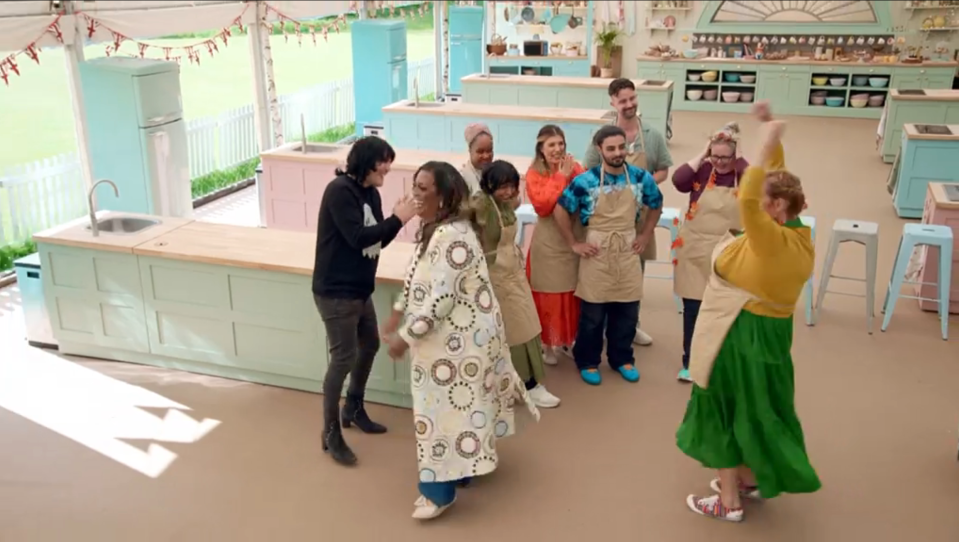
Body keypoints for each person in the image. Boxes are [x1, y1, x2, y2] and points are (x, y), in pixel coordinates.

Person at [676, 102, 820, 523]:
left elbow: (754, 191)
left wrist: (766, 142)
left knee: (723, 405)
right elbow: (773, 185)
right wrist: (772, 135)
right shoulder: (797, 234)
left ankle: (728, 501)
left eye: (760, 202)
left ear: (774, 209)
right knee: (760, 407)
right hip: (772, 337)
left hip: (741, 334)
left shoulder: (768, 241)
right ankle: (750, 475)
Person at [382, 161, 540, 521]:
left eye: (424, 188)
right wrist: (398, 309)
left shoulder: (453, 235)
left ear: (445, 194)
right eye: (414, 186)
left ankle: (439, 493)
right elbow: (417, 275)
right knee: (464, 406)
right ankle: (465, 467)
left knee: (443, 414)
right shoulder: (434, 228)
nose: (415, 194)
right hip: (455, 340)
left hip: (460, 342)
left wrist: (403, 338)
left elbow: (441, 300)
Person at [312, 136, 419, 466]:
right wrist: (399, 219)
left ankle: (353, 407)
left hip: (360, 289)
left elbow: (378, 241)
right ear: (365, 162)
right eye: (383, 161)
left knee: (369, 345)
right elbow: (357, 237)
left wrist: (399, 220)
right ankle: (330, 432)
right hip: (336, 292)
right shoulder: (340, 191)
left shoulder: (371, 193)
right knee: (342, 358)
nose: (388, 167)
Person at [554, 125, 663, 386]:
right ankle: (588, 361)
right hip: (597, 248)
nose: (617, 153)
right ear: (599, 149)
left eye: (621, 147)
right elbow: (561, 209)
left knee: (627, 309)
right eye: (611, 148)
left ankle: (622, 358)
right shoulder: (586, 181)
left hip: (627, 246)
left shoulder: (640, 177)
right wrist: (574, 243)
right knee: (593, 312)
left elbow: (656, 203)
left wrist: (645, 235)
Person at [584, 78, 673, 348]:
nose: (629, 104)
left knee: (635, 269)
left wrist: (639, 183)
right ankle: (601, 326)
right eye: (623, 100)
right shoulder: (602, 136)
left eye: (632, 98)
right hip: (608, 214)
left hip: (640, 213)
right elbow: (588, 171)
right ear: (612, 102)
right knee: (604, 269)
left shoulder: (652, 135)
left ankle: (631, 326)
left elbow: (663, 170)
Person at [474, 160, 561, 408]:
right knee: (515, 332)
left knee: (530, 325)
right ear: (489, 186)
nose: (508, 192)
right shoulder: (482, 206)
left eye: (512, 186)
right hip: (496, 277)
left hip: (514, 272)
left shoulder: (505, 204)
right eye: (502, 187)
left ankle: (526, 382)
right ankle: (527, 385)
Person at [671, 122, 750, 383]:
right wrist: (703, 154)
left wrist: (739, 162)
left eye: (725, 157)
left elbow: (760, 188)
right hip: (696, 250)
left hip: (729, 252)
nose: (720, 162)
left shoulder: (743, 174)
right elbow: (678, 181)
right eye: (715, 155)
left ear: (735, 155)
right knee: (693, 308)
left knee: (726, 308)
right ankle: (690, 361)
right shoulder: (702, 170)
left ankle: (722, 360)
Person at [524, 124, 586, 365]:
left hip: (572, 236)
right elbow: (543, 205)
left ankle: (567, 340)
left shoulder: (575, 167)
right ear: (541, 148)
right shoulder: (534, 173)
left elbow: (586, 193)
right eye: (551, 144)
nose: (557, 149)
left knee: (570, 292)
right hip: (548, 242)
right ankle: (548, 345)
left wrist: (574, 175)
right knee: (548, 294)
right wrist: (562, 176)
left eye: (561, 143)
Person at [460, 123, 493, 194]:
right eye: (480, 152)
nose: (486, 156)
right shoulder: (462, 179)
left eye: (489, 150)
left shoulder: (497, 174)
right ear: (470, 150)